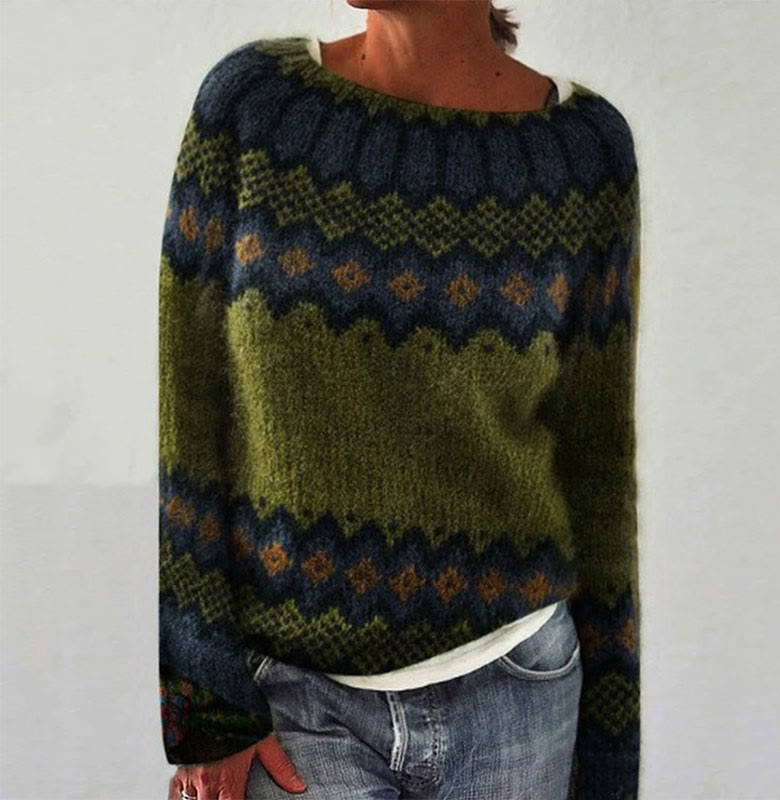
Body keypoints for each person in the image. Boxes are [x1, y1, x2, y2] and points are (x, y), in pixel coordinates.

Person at [158, 2, 643, 799]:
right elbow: (189, 418)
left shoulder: (581, 152)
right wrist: (203, 705)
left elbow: (597, 461)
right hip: (292, 703)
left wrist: (611, 766)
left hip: (519, 689)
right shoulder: (253, 108)